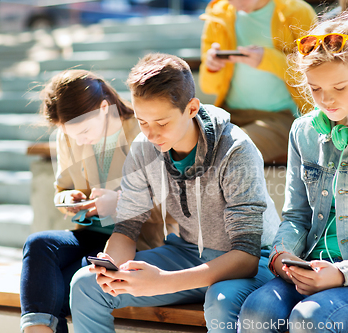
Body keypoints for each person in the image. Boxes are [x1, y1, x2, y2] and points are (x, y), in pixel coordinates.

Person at [69, 53, 281, 333]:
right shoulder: (144, 147)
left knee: (221, 300)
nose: (152, 134)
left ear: (192, 108)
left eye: (162, 122)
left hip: (253, 261)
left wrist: (163, 281)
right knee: (85, 284)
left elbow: (247, 256)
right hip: (187, 252)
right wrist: (111, 268)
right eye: (143, 121)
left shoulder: (236, 149)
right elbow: (127, 227)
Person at [237, 12, 348, 333]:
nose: (326, 99)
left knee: (310, 319)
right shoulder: (302, 132)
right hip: (310, 267)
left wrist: (340, 274)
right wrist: (283, 255)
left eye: (339, 86)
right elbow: (296, 216)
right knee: (257, 310)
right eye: (315, 88)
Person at [20, 70, 177, 333]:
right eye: (71, 133)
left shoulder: (144, 132)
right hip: (92, 233)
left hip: (139, 241)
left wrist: (120, 203)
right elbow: (63, 187)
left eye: (84, 131)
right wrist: (68, 199)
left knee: (54, 284)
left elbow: (171, 203)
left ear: (104, 108)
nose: (78, 139)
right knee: (38, 244)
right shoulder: (69, 133)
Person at [198, 0, 316, 163]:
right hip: (230, 115)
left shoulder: (297, 11)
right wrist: (212, 68)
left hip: (281, 117)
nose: (237, 3)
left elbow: (317, 71)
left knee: (231, 149)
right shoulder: (218, 15)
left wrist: (268, 59)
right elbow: (208, 87)